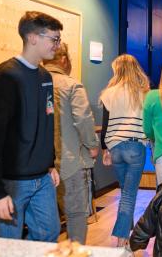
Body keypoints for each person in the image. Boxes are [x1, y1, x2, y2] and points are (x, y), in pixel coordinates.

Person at [0, 11, 62, 241]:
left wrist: (51, 164)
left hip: (43, 178)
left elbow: (47, 121)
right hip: (12, 182)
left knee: (49, 234)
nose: (58, 45)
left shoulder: (46, 76)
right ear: (33, 37)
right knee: (9, 245)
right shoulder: (6, 75)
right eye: (54, 39)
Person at [43, 43, 99, 244]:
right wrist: (93, 145)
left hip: (37, 166)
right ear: (64, 59)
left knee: (44, 222)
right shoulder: (71, 85)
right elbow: (83, 119)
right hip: (70, 163)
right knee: (75, 214)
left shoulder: (34, 81)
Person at [100, 54, 149, 247]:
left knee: (125, 192)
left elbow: (105, 124)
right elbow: (147, 122)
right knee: (129, 194)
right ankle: (122, 240)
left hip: (115, 148)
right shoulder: (143, 92)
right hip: (135, 147)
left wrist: (105, 150)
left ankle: (123, 235)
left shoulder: (108, 93)